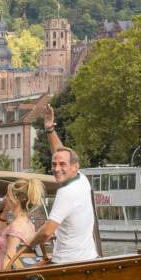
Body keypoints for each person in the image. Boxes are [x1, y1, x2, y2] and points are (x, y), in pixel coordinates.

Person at [27, 104, 98, 263]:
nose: (56, 169)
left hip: (67, 263)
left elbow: (46, 232)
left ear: (74, 166)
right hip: (88, 259)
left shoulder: (66, 192)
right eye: (54, 164)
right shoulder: (82, 178)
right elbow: (60, 152)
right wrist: (50, 129)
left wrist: (29, 244)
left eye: (62, 165)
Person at [0, 178, 45, 270]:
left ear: (15, 199)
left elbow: (9, 259)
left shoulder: (16, 226)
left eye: (7, 195)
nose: (5, 198)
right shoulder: (29, 224)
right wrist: (5, 210)